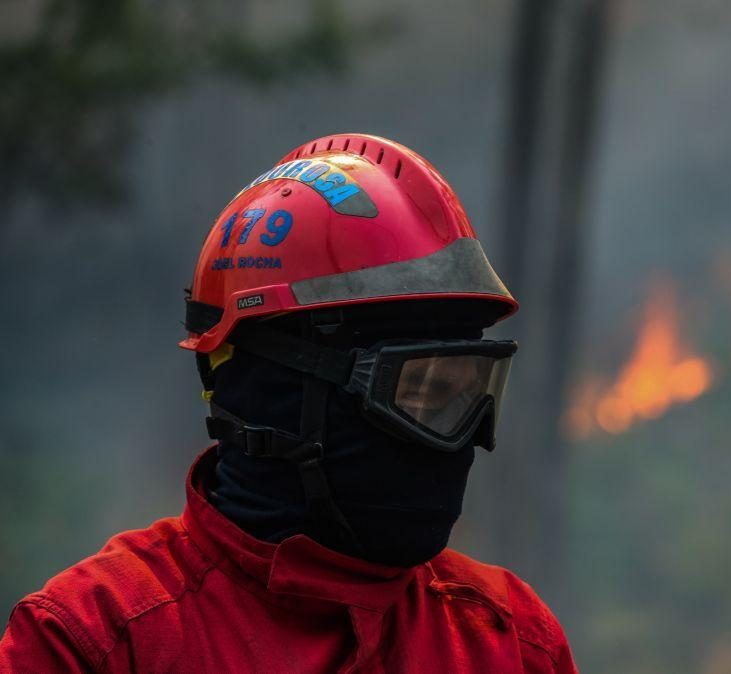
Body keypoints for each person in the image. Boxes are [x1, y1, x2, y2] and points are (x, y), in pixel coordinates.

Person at [0, 134, 578, 673]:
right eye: (419, 390)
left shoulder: (511, 642)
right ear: (273, 393)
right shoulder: (94, 642)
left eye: (469, 393)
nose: (459, 438)